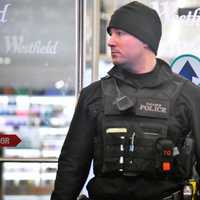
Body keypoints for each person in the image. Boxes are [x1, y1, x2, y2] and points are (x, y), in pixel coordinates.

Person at [51, 1, 200, 200]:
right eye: (111, 34)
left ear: (145, 39)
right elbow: (71, 167)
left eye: (120, 33)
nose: (111, 41)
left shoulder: (188, 96)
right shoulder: (93, 95)